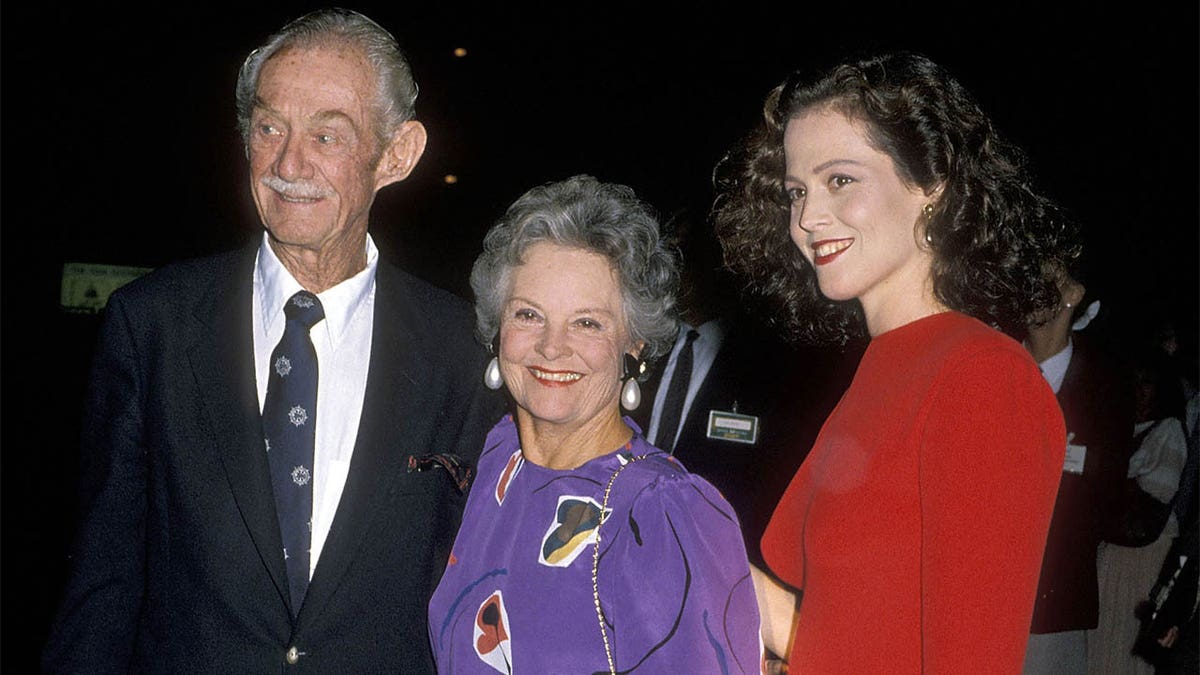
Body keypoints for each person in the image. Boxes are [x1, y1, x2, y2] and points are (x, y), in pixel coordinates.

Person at [42, 9, 504, 673]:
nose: (289, 162)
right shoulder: (154, 325)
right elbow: (104, 583)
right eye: (268, 127)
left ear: (396, 155)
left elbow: (479, 600)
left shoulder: (462, 351)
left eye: (326, 134)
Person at [713, 51, 1077, 672]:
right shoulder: (884, 368)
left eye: (840, 180)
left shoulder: (980, 377)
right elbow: (848, 630)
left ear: (930, 186)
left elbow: (971, 661)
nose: (807, 218)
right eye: (797, 190)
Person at [427, 175, 762, 673]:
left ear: (635, 344)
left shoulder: (660, 513)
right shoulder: (496, 462)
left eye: (587, 323)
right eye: (528, 315)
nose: (551, 347)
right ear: (498, 327)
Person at [632, 207, 853, 567]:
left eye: (689, 255)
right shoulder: (635, 349)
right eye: (671, 254)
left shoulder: (771, 369)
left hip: (716, 568)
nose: (677, 272)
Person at [1022, 264, 1135, 674]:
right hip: (977, 594)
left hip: (1056, 604)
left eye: (1044, 280)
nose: (1030, 289)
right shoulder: (990, 368)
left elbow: (1108, 500)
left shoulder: (1106, 390)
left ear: (1073, 293)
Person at [1089, 346, 1189, 674]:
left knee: (1125, 651)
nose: (1138, 391)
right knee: (1101, 646)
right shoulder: (1117, 433)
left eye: (1147, 383)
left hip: (1143, 560)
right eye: (1132, 382)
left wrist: (1113, 488)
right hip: (1111, 557)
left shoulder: (1169, 430)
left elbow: (1154, 498)